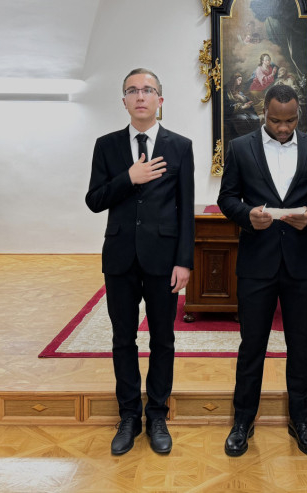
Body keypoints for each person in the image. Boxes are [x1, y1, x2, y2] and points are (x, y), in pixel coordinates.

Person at [217, 83, 307, 457]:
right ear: (263, 113)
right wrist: (246, 215)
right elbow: (227, 198)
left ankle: (301, 421)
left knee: (301, 345)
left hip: (302, 262)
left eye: (290, 121)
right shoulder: (240, 148)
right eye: (275, 121)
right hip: (257, 262)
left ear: (298, 114)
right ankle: (243, 421)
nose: (283, 128)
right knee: (252, 345)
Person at [85, 68, 195, 456]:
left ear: (160, 99)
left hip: (164, 259)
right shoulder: (107, 145)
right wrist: (129, 177)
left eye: (148, 90)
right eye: (132, 90)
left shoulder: (180, 146)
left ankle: (158, 414)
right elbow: (95, 200)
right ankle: (129, 415)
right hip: (120, 257)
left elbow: (185, 209)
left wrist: (184, 261)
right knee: (123, 338)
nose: (140, 96)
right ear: (124, 101)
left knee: (163, 339)